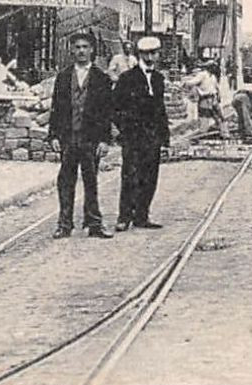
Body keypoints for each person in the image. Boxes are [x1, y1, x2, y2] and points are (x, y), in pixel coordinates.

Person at [47, 30, 114, 239]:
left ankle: (94, 223)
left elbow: (106, 112)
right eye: (77, 47)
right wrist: (54, 136)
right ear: (71, 50)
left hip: (90, 139)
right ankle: (64, 224)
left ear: (92, 50)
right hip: (68, 138)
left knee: (91, 181)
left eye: (85, 47)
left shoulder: (101, 78)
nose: (81, 51)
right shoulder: (63, 77)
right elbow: (56, 108)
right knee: (65, 181)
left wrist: (104, 140)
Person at [113, 35, 170, 231]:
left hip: (152, 137)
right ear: (139, 55)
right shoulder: (127, 79)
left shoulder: (159, 79)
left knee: (149, 177)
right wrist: (124, 129)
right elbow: (115, 107)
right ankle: (124, 217)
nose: (150, 57)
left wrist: (165, 138)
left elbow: (161, 110)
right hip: (133, 137)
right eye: (146, 54)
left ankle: (142, 216)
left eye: (154, 53)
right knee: (130, 176)